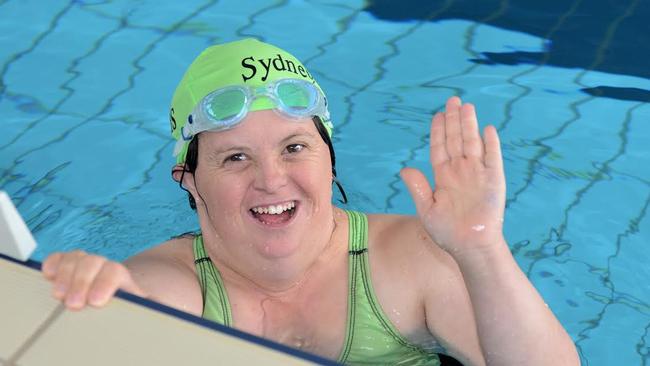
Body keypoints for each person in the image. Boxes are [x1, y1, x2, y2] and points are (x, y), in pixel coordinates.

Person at [42, 38, 579, 365]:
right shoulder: (174, 282)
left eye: (294, 147)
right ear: (188, 179)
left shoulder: (409, 260)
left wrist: (481, 251)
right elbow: (133, 313)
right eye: (234, 158)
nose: (272, 180)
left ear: (329, 158)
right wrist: (97, 299)